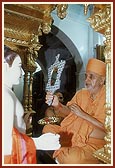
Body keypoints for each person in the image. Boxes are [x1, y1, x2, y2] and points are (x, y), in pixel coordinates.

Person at [42, 58, 106, 164]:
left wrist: (83, 115)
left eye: (91, 77)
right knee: (47, 129)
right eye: (86, 76)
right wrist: (57, 105)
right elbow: (70, 112)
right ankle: (63, 151)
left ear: (102, 80)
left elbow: (108, 130)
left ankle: (62, 153)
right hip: (73, 133)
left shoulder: (109, 97)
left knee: (72, 158)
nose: (86, 81)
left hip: (93, 143)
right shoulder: (81, 94)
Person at [3, 46, 61, 164]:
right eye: (19, 66)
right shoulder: (5, 96)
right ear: (4, 67)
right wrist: (38, 143)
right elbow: (3, 145)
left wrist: (22, 121)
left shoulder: (7, 92)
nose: (22, 71)